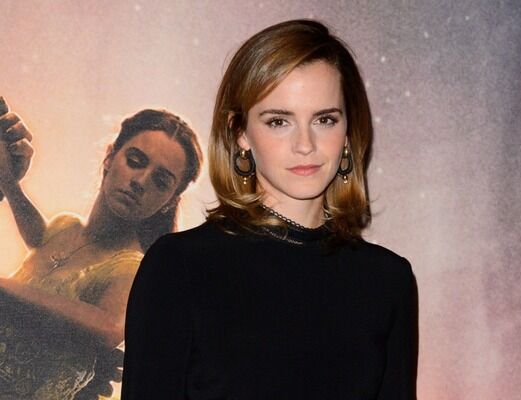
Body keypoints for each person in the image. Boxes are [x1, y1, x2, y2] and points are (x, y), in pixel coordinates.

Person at [122, 19, 418, 400]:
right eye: (279, 121)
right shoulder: (180, 267)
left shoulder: (387, 281)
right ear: (240, 132)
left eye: (325, 119)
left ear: (348, 131)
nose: (305, 144)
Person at [0, 106, 202, 400]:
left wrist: (4, 288)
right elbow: (38, 236)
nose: (140, 181)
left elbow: (111, 327)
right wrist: (9, 182)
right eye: (135, 161)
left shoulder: (134, 267)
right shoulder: (64, 227)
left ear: (170, 201)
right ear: (110, 157)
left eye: (160, 181)